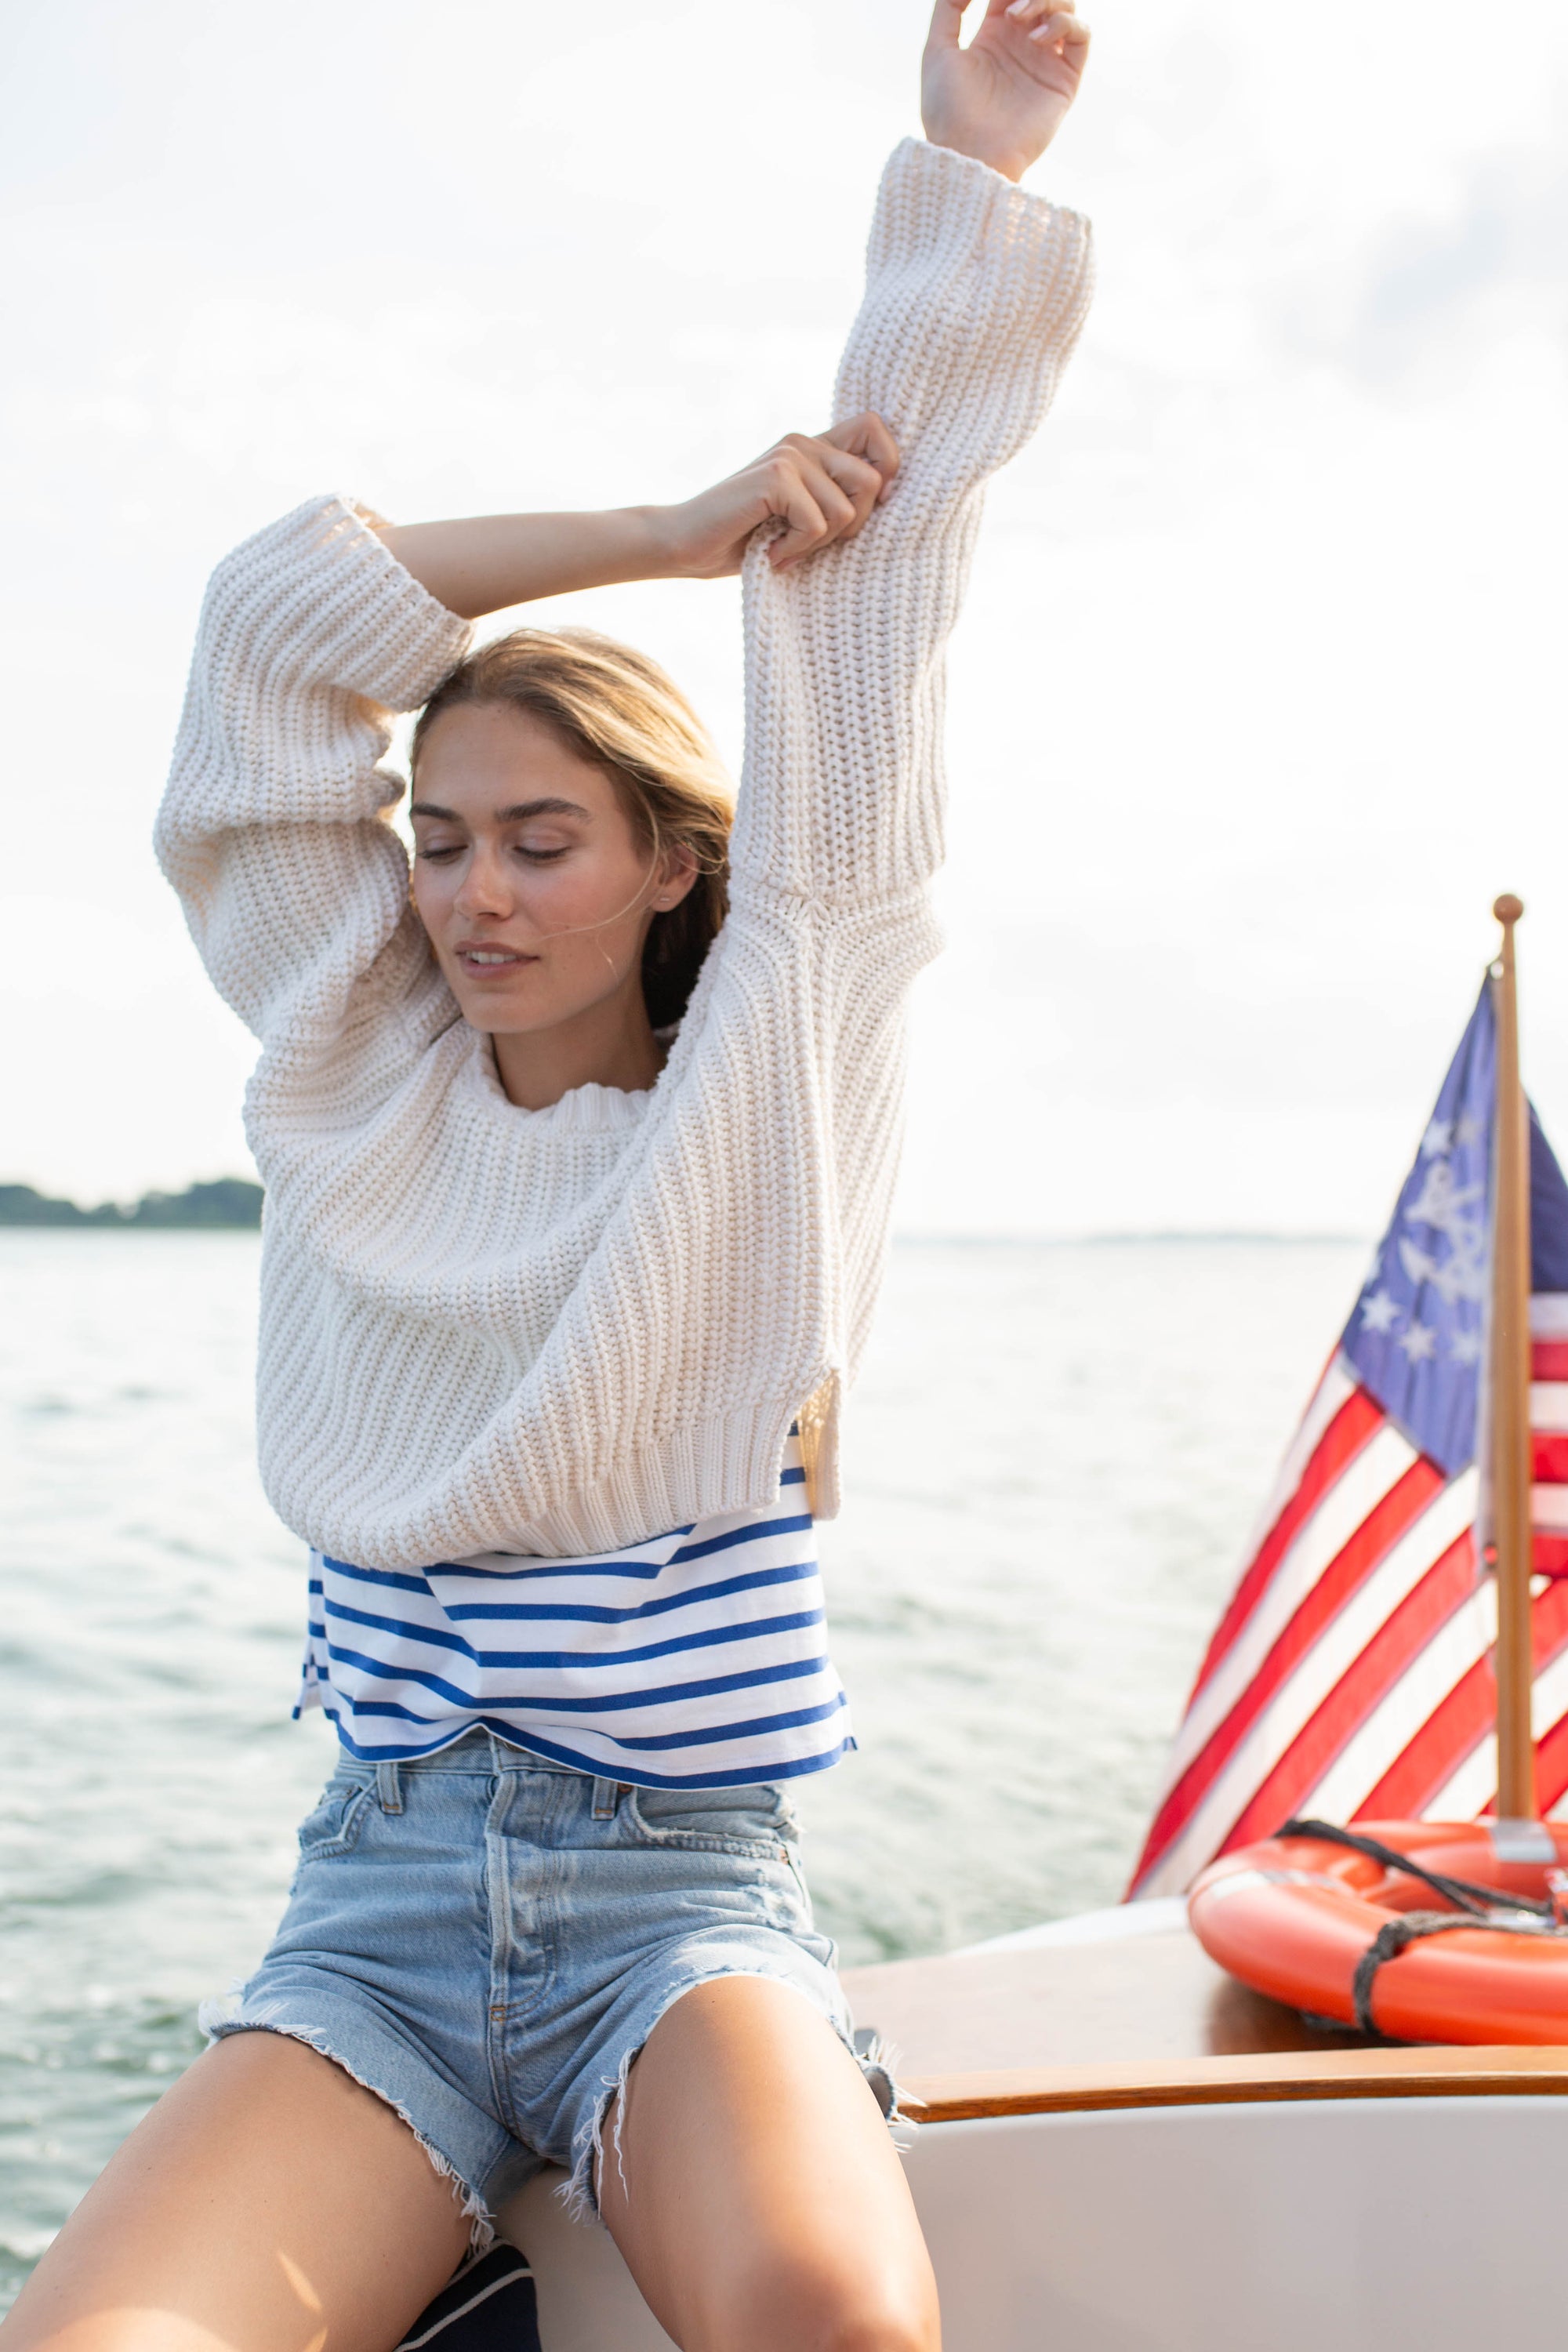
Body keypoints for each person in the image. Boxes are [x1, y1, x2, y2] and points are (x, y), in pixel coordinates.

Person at [3, 4, 1093, 2347]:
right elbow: (263, 642)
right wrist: (667, 529)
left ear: (675, 867)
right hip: (374, 1912)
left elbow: (879, 618)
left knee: (838, 2329)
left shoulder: (767, 1088)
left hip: (678, 1910)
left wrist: (961, 181)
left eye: (539, 843)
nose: (473, 895)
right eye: (438, 840)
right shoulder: (349, 1077)